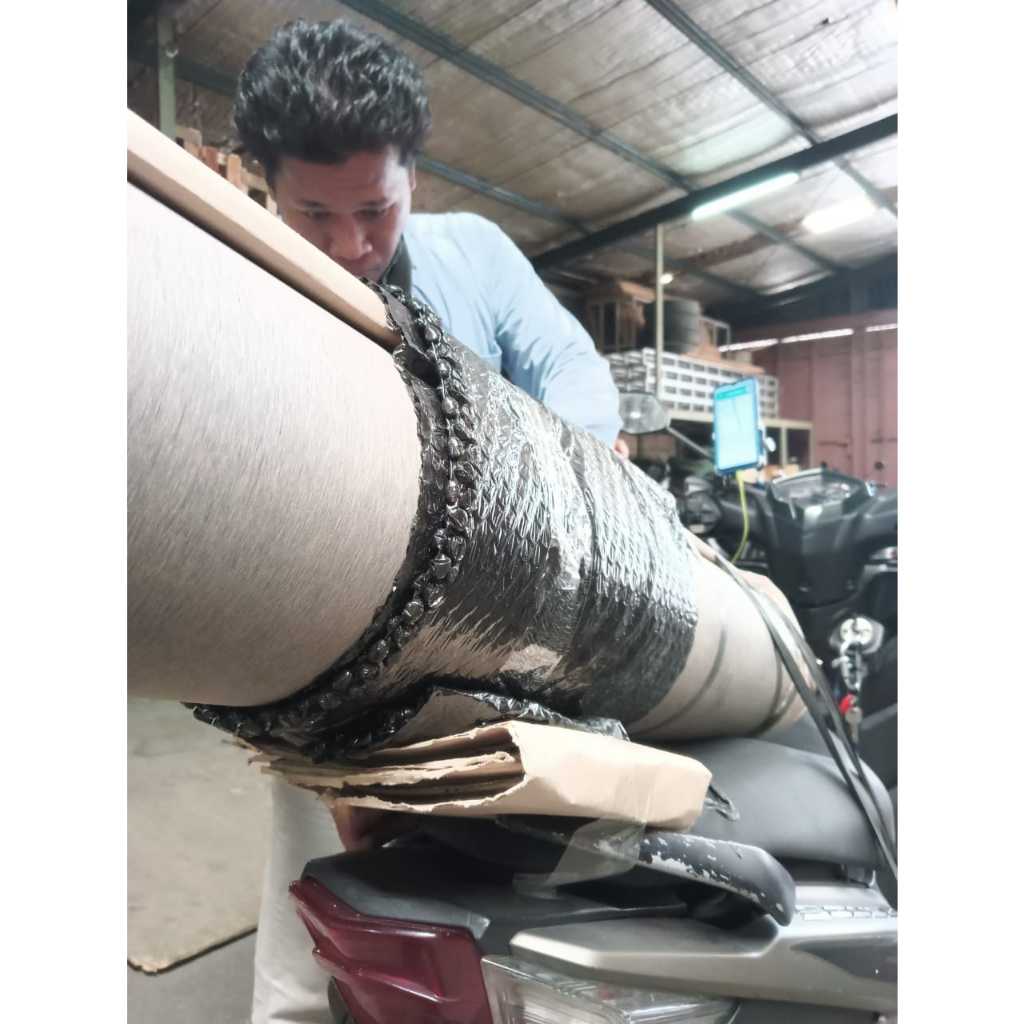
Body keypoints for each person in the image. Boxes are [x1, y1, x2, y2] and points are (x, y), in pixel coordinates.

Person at [230, 19, 624, 1022]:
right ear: (268, 187)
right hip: (327, 632)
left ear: (414, 175)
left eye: (375, 210)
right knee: (319, 884)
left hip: (494, 630)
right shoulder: (251, 296)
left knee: (484, 884)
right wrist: (334, 758)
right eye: (313, 214)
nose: (347, 246)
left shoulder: (473, 256)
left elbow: (570, 366)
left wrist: (561, 483)